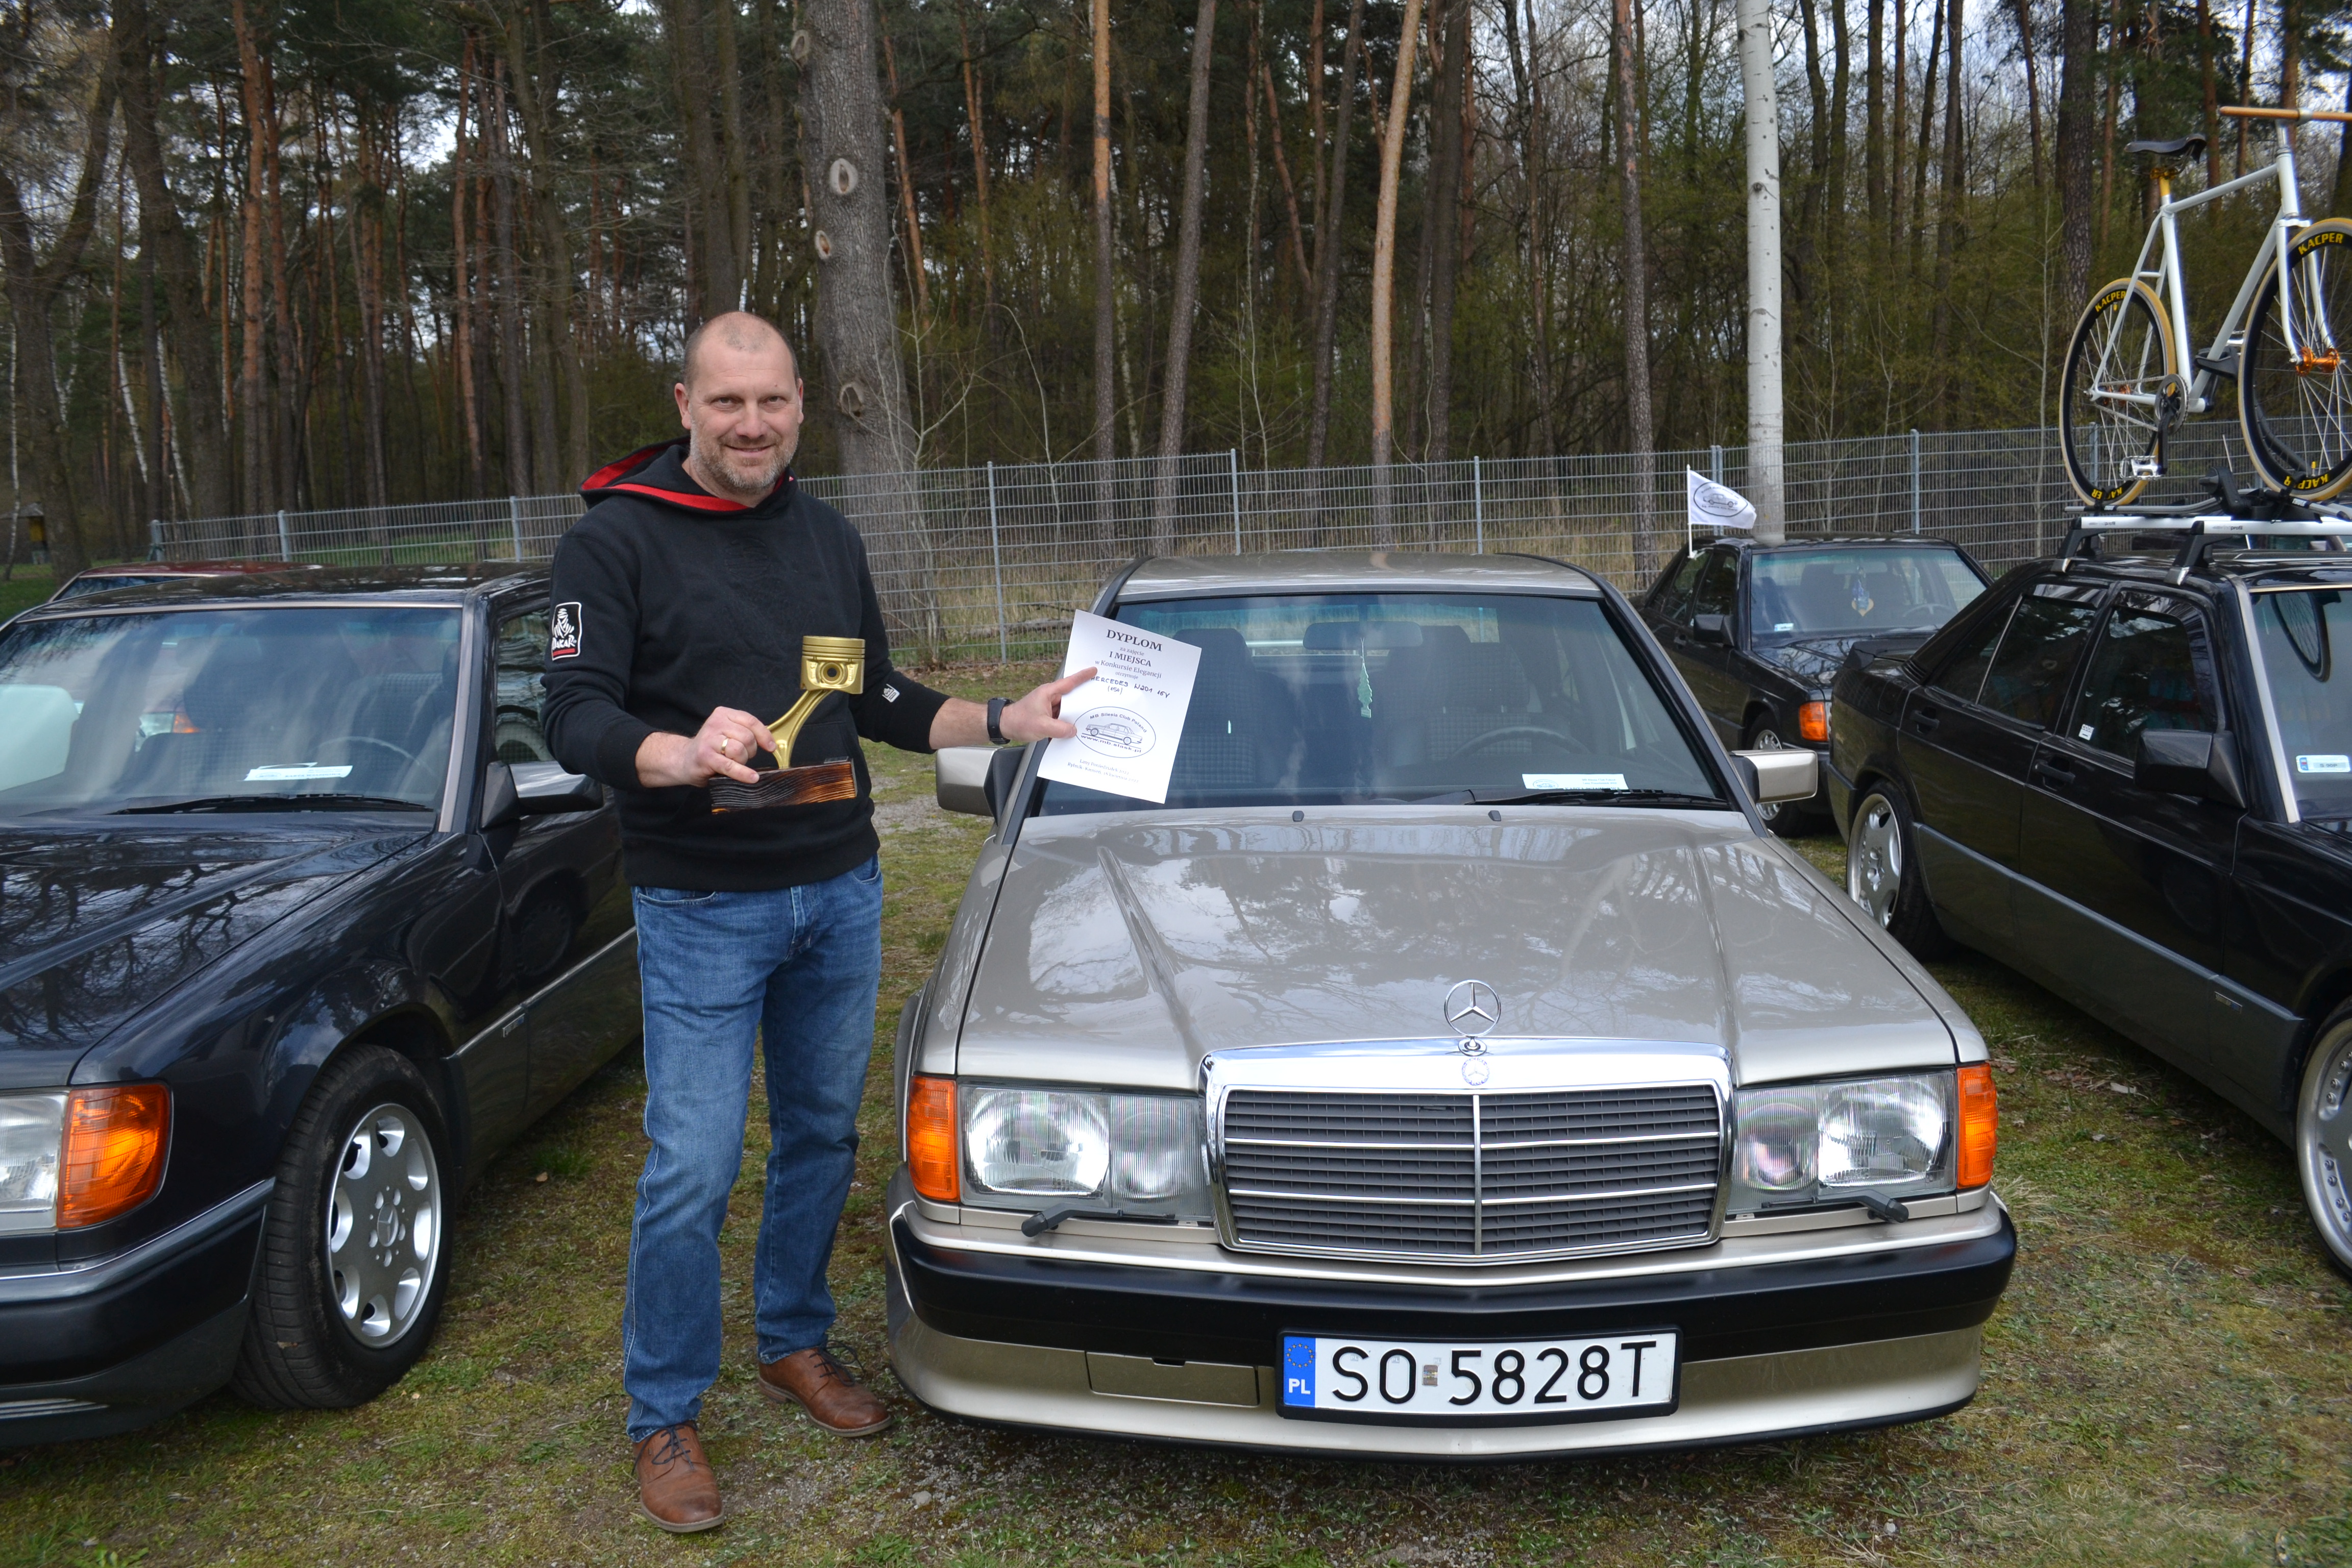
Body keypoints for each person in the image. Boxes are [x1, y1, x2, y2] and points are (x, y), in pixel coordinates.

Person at [542, 311, 1090, 1534]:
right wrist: (674, 752)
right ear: (684, 403)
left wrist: (1007, 716)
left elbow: (879, 698)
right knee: (691, 1163)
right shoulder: (614, 540)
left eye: (773, 403)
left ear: (801, 406)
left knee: (822, 1138)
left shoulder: (828, 536)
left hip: (837, 893)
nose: (752, 425)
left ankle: (793, 1339)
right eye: (727, 403)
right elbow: (570, 713)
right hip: (698, 904)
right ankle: (665, 1410)